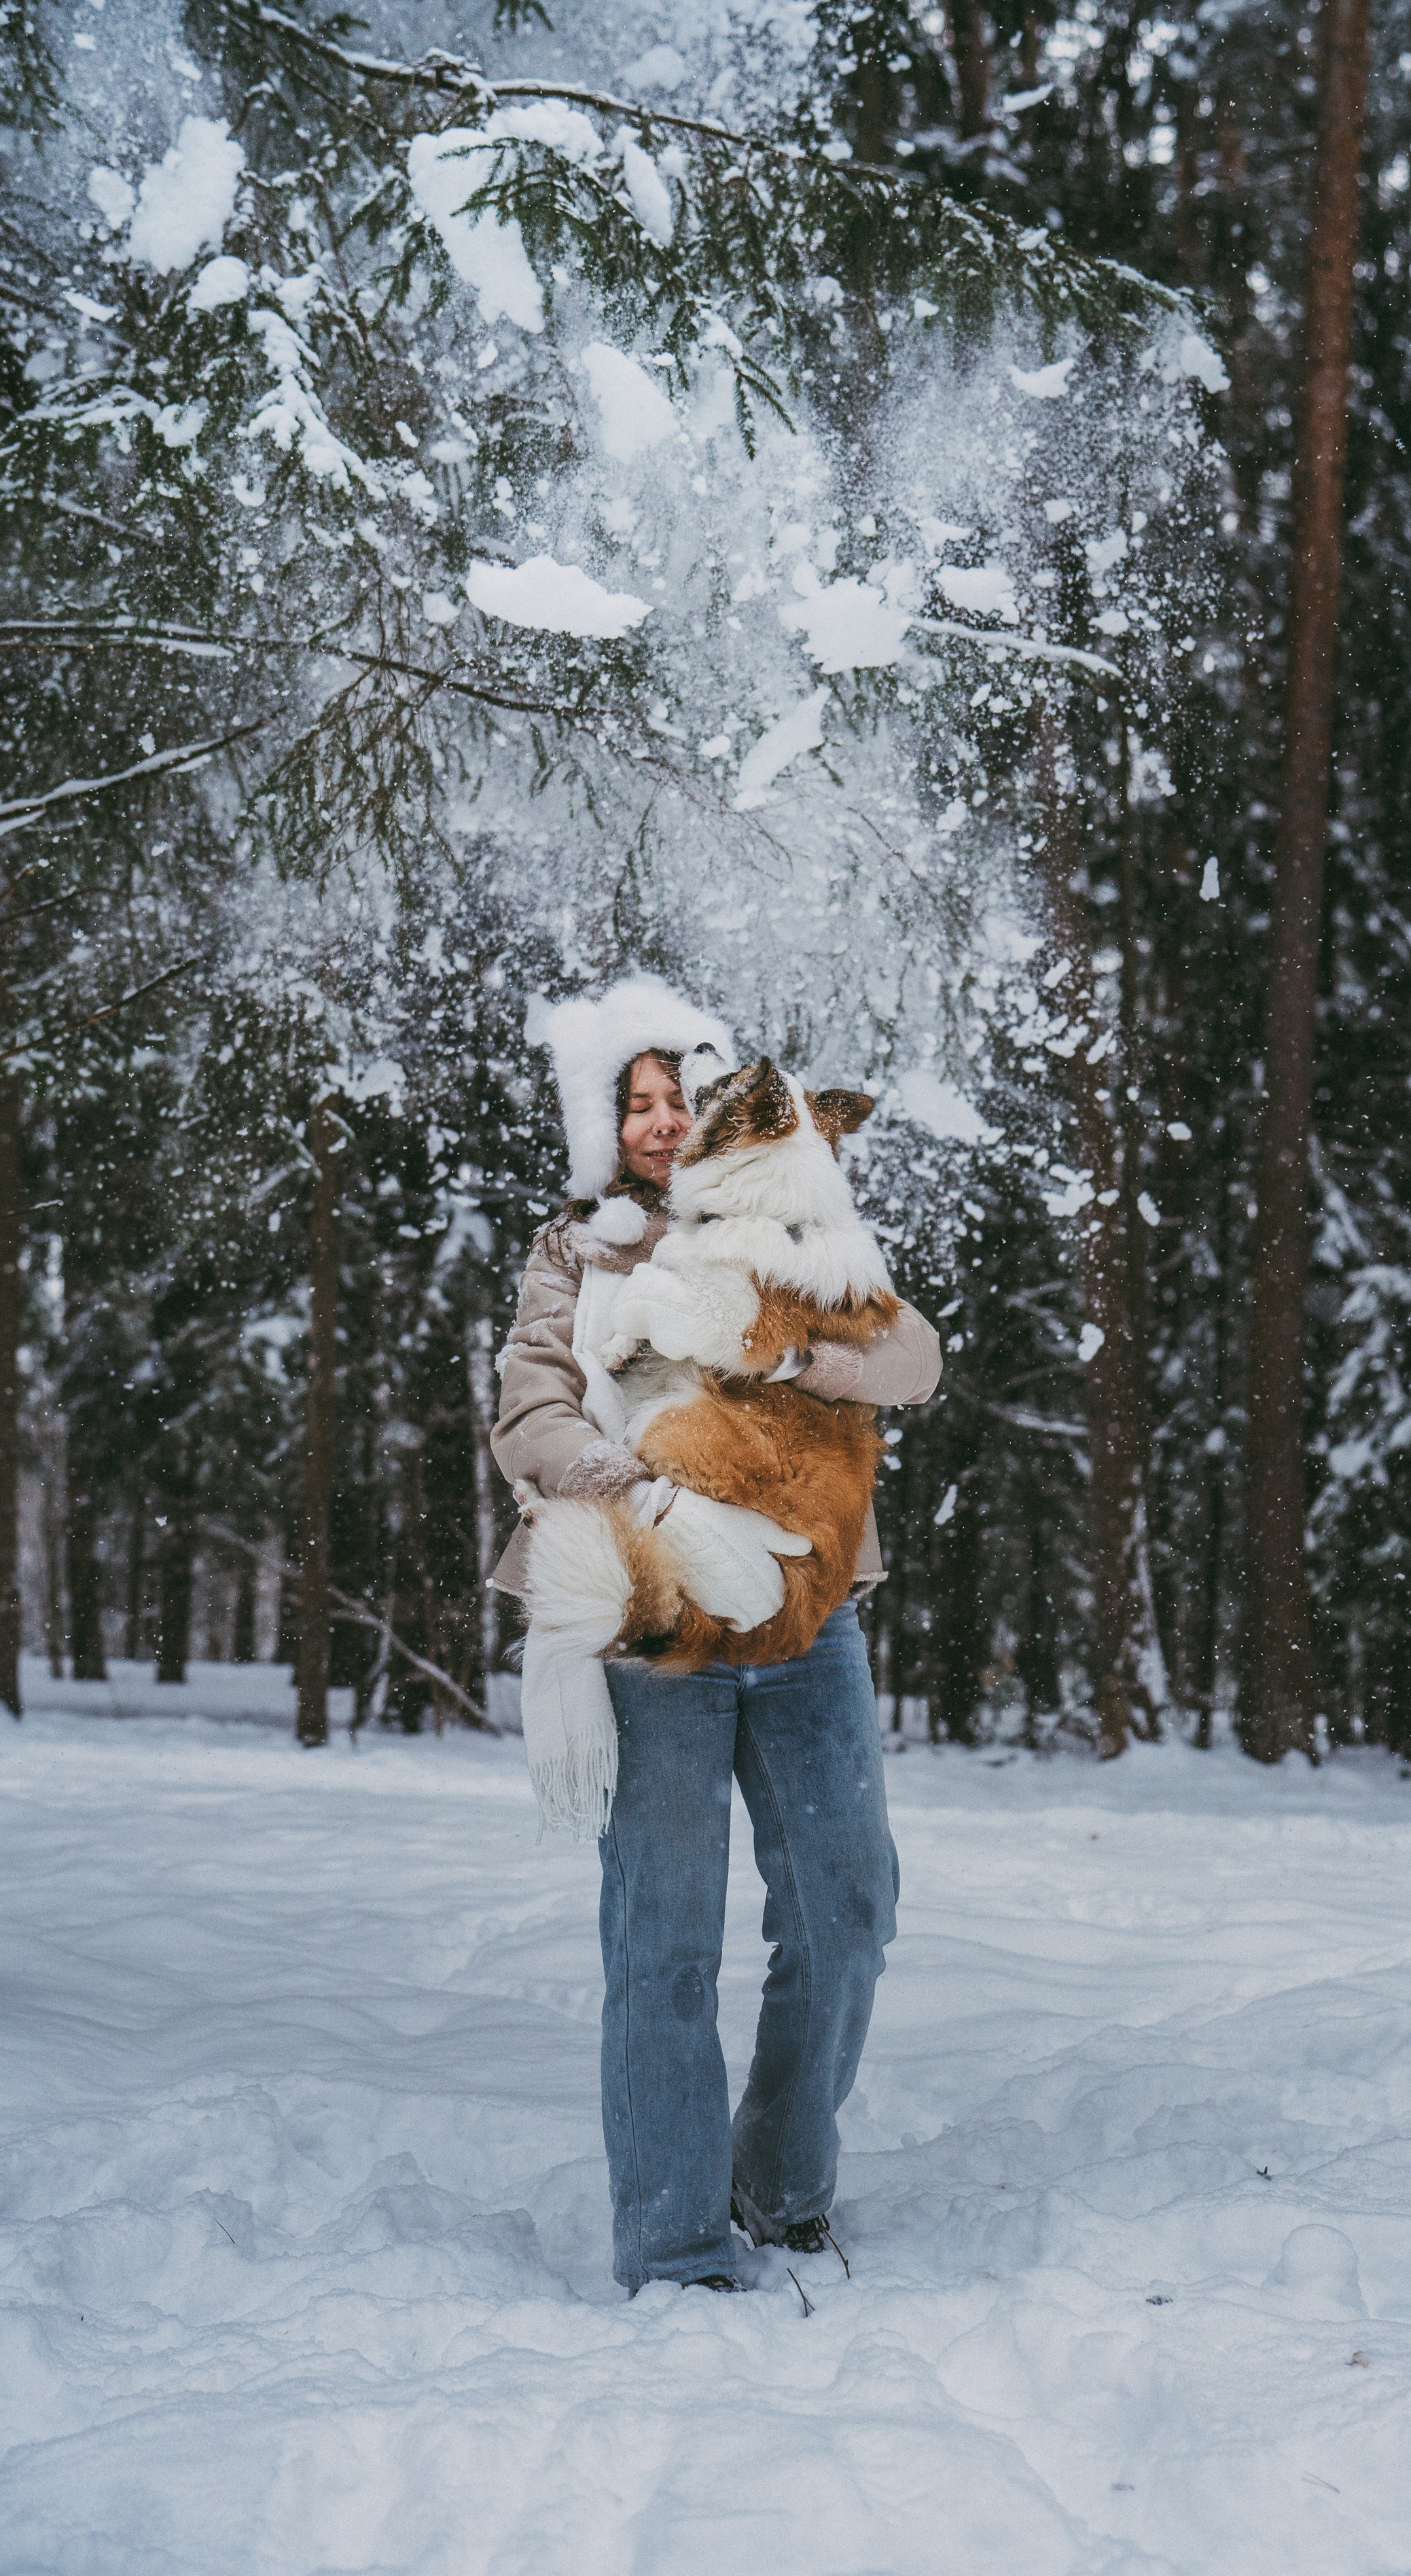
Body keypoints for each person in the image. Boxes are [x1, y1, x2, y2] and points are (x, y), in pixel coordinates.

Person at [489, 978, 942, 2294]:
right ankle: (676, 2244)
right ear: (602, 1122)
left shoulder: (796, 1213)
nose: (659, 1120)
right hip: (653, 1628)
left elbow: (914, 1361)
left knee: (848, 1908)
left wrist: (796, 1364)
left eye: (679, 1093)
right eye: (632, 1103)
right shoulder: (576, 1253)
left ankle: (782, 2187)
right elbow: (530, 1416)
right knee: (663, 1940)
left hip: (808, 1618)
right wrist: (655, 1504)